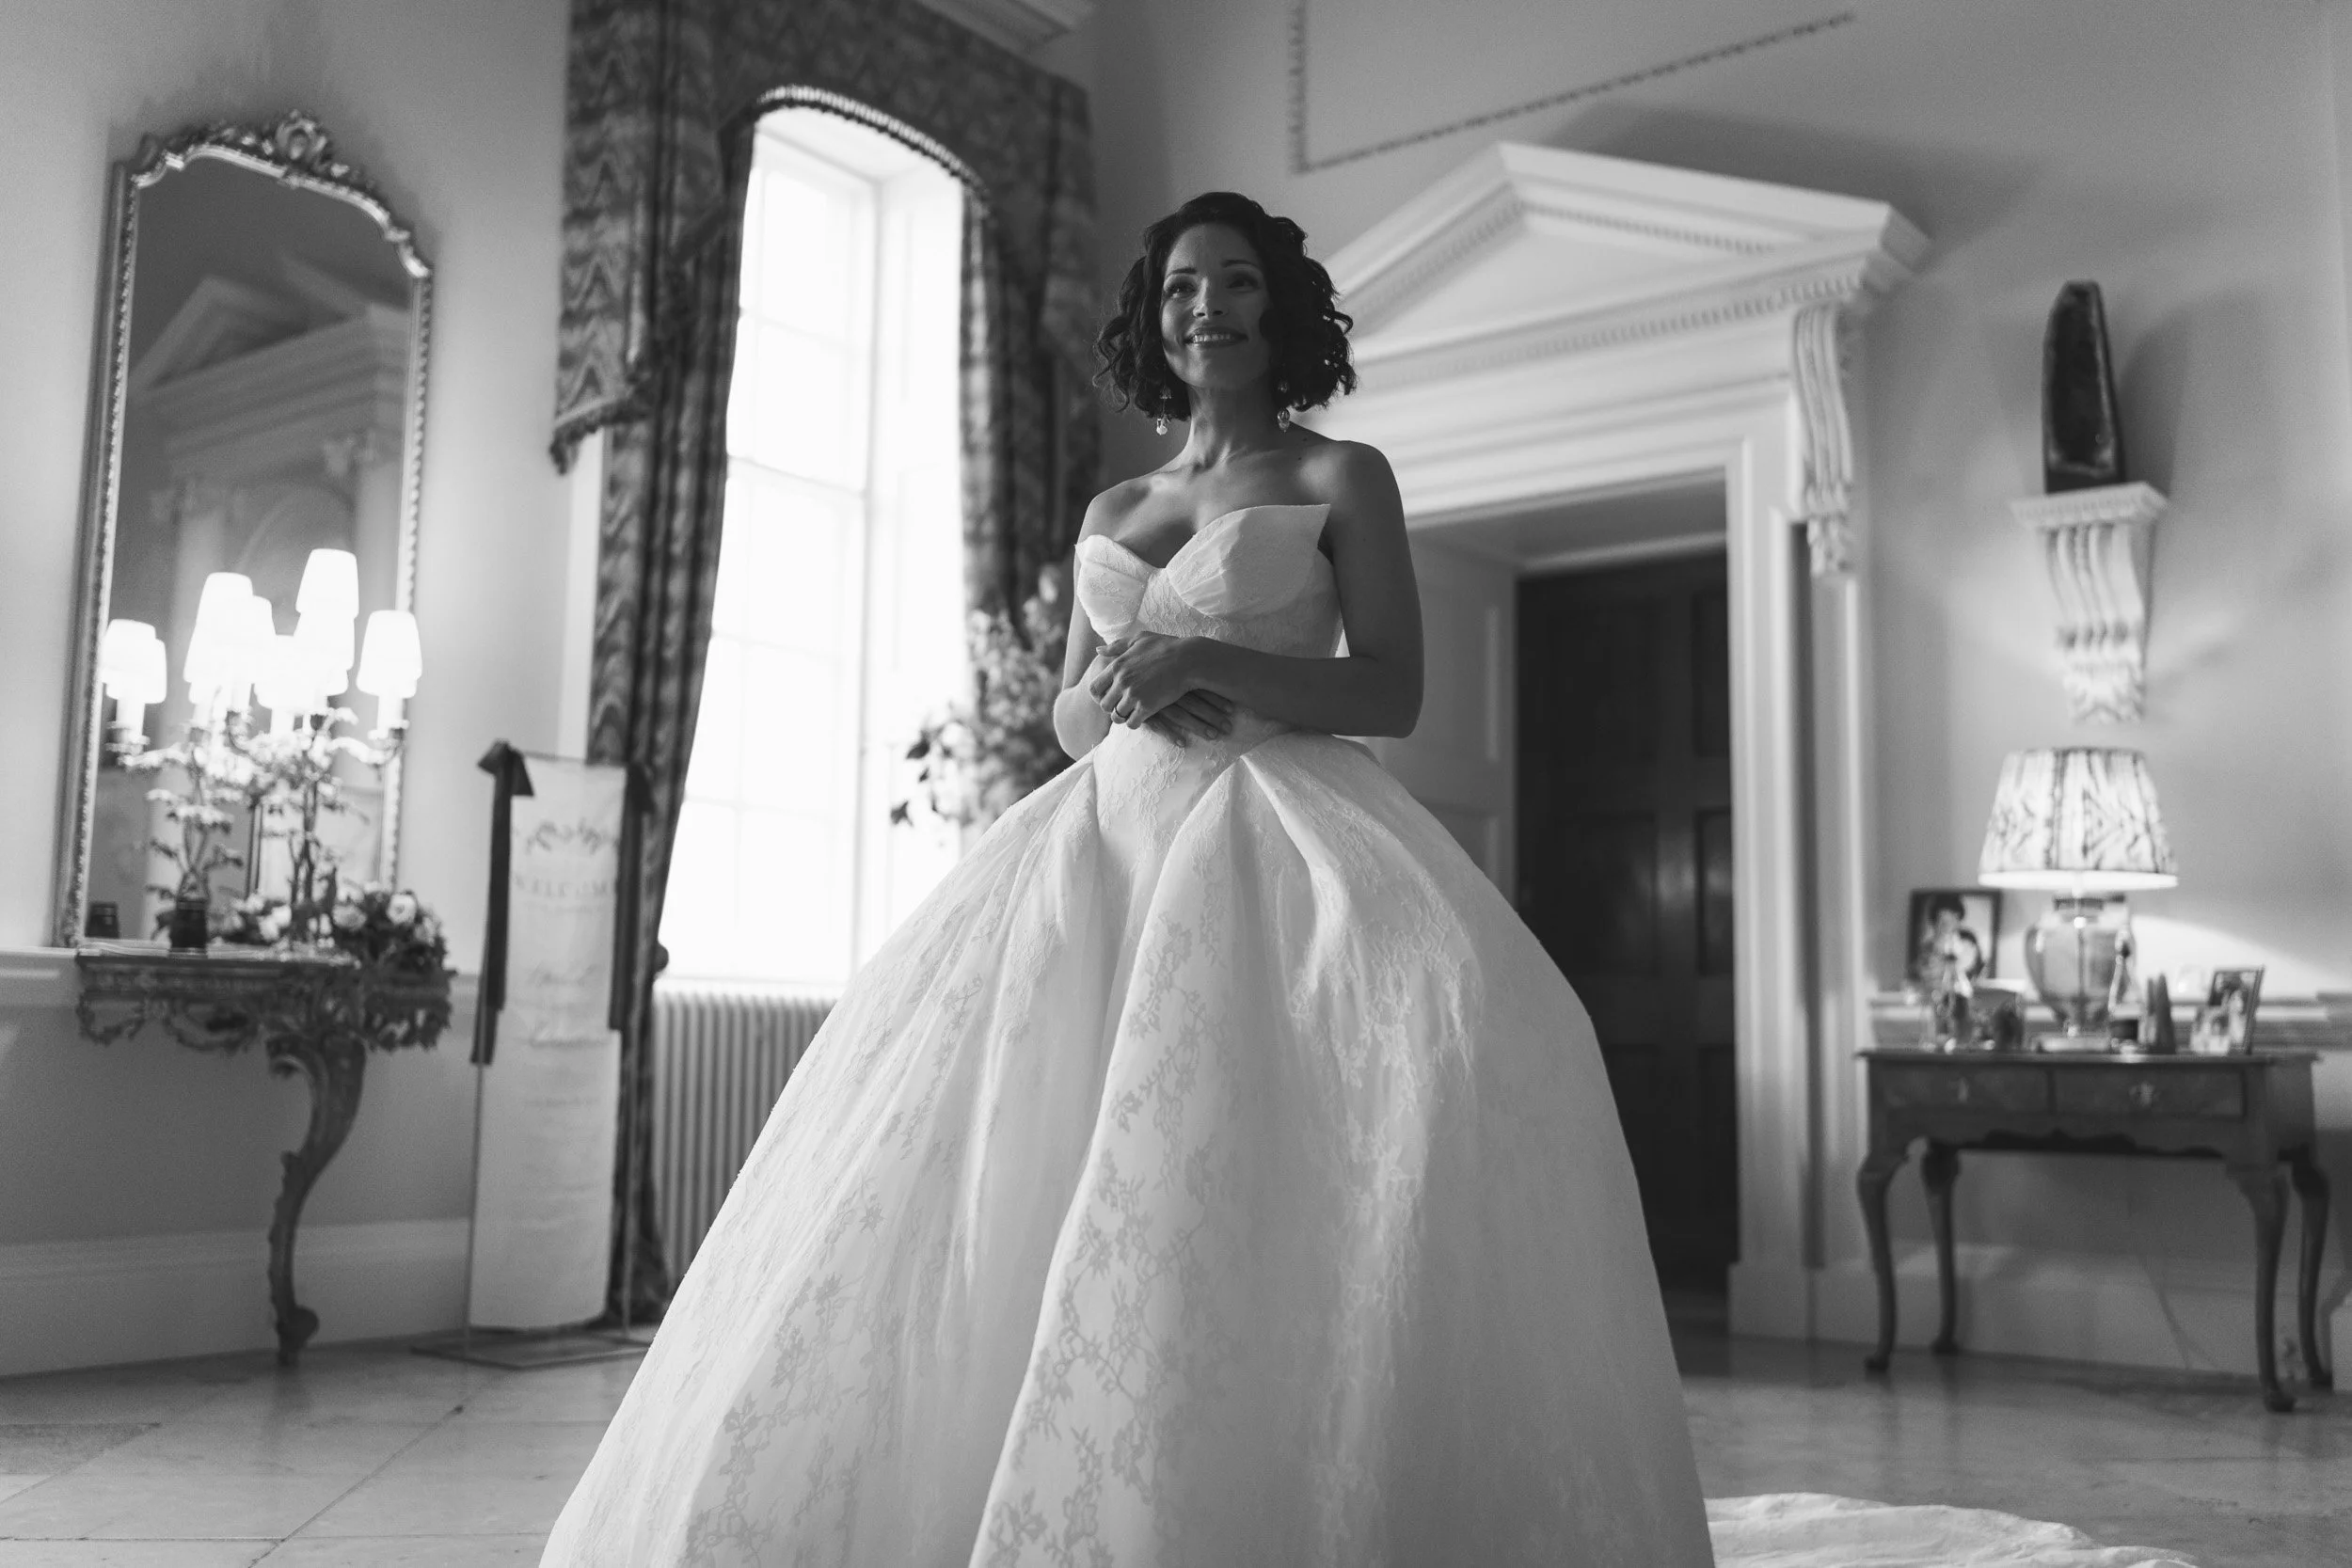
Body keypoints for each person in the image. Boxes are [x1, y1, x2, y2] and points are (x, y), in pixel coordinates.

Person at [542, 190, 1712, 1566]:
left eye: (1228, 281)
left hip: (1267, 828)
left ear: (1279, 304)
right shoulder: (1116, 500)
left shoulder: (1342, 476)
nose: (1200, 305)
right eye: (1174, 289)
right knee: (997, 1148)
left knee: (1445, 1034)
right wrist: (1113, 687)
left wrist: (1206, 658)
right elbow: (1067, 716)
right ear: (1152, 320)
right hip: (1096, 846)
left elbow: (1390, 688)